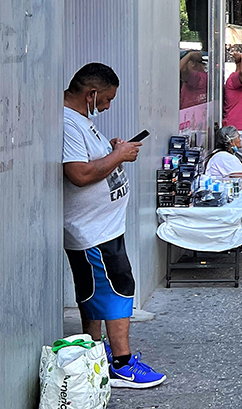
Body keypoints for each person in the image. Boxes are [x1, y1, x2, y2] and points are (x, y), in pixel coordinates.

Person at [61, 63, 166, 388]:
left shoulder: (80, 120)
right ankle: (121, 363)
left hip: (102, 228)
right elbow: (78, 174)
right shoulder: (67, 123)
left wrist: (111, 150)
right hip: (92, 231)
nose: (107, 106)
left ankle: (94, 354)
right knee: (117, 290)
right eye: (106, 99)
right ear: (91, 94)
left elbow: (89, 162)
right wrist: (118, 156)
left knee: (94, 293)